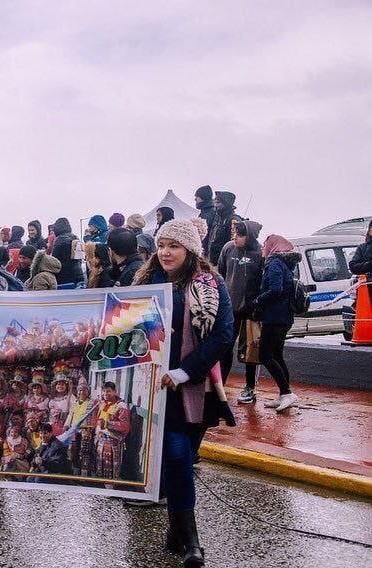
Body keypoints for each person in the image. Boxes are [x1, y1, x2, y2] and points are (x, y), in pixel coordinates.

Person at [134, 217, 234, 567]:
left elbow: (223, 336)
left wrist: (184, 371)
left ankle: (176, 534)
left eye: (174, 246)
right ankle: (193, 544)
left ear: (190, 250)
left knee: (181, 460)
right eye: (161, 245)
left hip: (195, 388)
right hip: (154, 388)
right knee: (177, 459)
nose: (165, 252)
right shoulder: (144, 283)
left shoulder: (210, 285)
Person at [251, 235, 301, 412]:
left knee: (265, 355)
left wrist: (257, 301)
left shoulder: (274, 264)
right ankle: (283, 394)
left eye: (266, 243)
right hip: (284, 317)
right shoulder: (285, 263)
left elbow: (275, 288)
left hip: (274, 317)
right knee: (277, 355)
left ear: (273, 246)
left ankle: (287, 393)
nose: (263, 246)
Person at [217, 220, 263, 402]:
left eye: (240, 234)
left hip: (250, 311)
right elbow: (220, 273)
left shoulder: (259, 253)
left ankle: (250, 387)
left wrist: (257, 304)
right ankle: (219, 386)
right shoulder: (228, 249)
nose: (235, 237)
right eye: (235, 233)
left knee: (250, 351)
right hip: (229, 309)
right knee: (225, 347)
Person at [93, 381, 131, 479]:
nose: (106, 394)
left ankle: (111, 488)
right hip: (100, 438)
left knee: (110, 469)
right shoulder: (102, 404)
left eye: (109, 391)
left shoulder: (121, 405)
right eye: (104, 391)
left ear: (115, 391)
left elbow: (125, 425)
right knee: (99, 465)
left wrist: (107, 424)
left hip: (112, 440)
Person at [206, 191, 243, 265]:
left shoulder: (234, 220)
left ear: (226, 204)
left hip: (223, 263)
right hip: (211, 260)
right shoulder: (217, 218)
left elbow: (234, 245)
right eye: (215, 202)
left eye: (218, 202)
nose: (215, 205)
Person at [49, 217, 84, 287]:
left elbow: (55, 260)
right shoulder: (76, 237)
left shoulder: (60, 239)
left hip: (65, 275)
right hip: (78, 273)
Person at [194, 185, 216, 254]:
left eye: (197, 197)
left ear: (203, 198)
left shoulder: (209, 213)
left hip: (206, 251)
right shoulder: (205, 212)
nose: (195, 199)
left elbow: (205, 235)